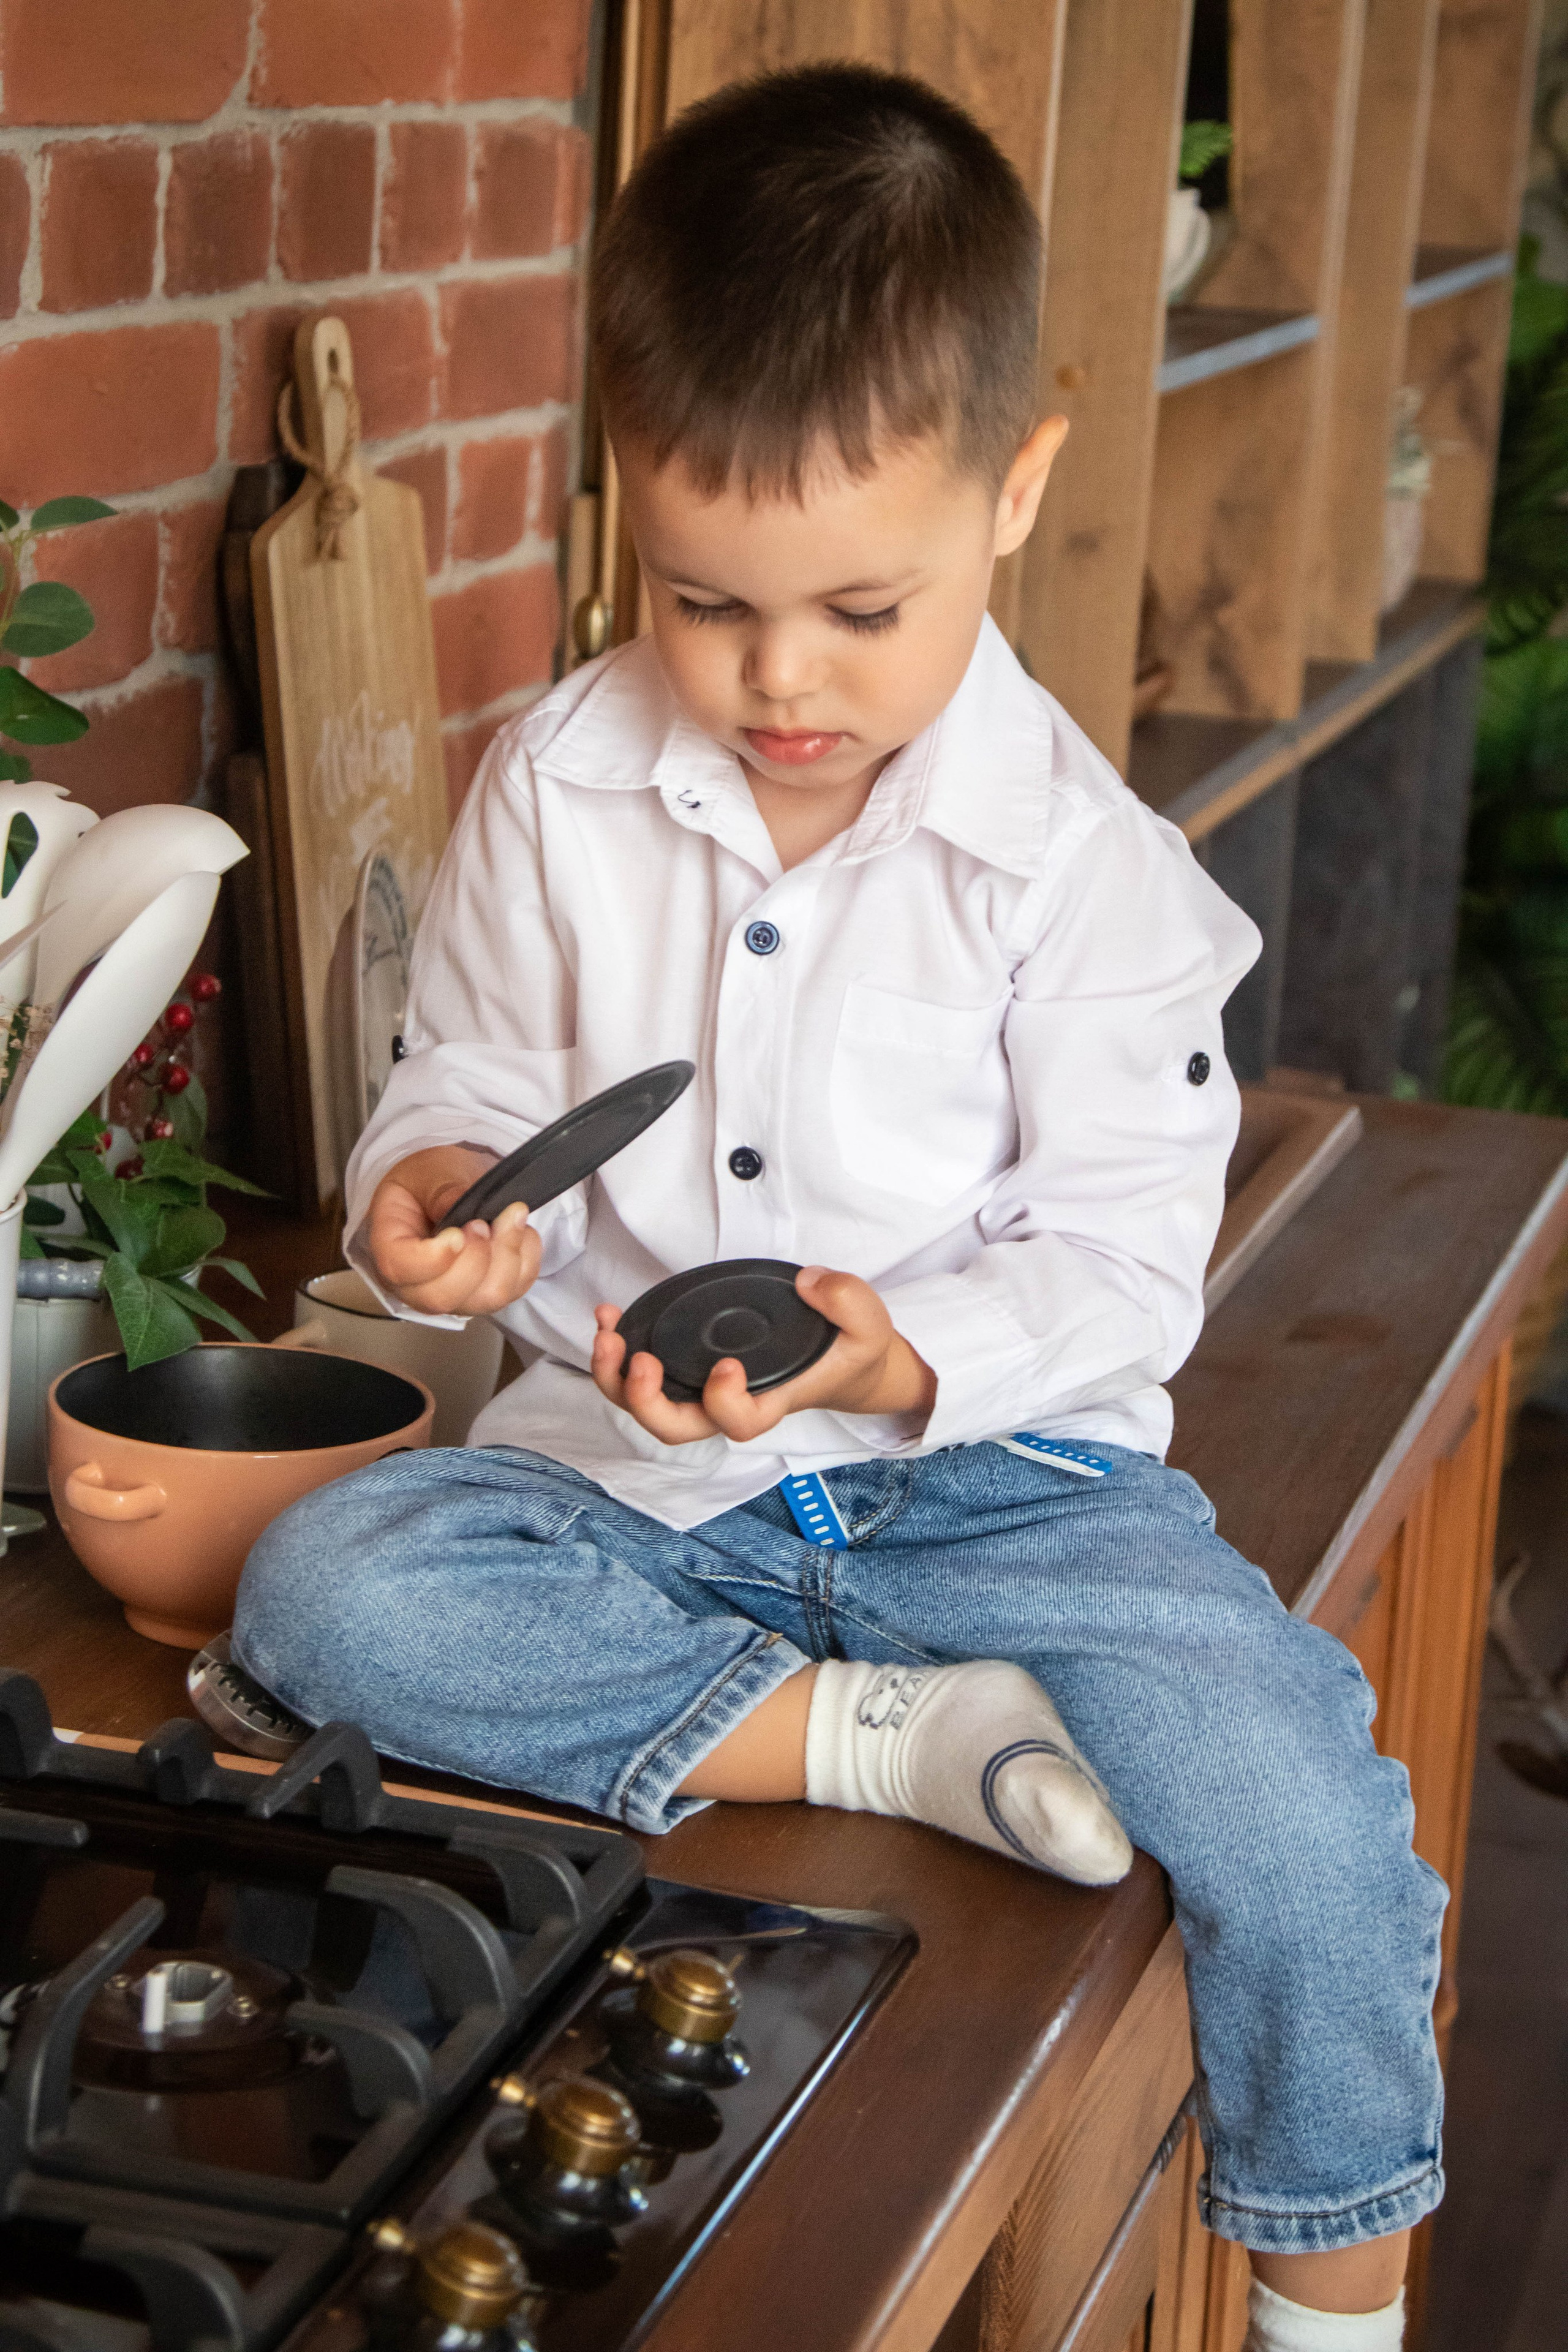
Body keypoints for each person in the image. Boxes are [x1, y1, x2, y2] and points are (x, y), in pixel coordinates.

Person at [235, 63, 1443, 2352]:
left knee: (1292, 1792)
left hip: (1006, 1488)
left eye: (854, 608)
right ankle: (905, 1745)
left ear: (1020, 491)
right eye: (705, 605)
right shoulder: (554, 790)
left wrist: (909, 1354)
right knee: (322, 1584)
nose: (778, 681)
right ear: (623, 507)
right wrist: (429, 1201)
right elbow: (477, 1071)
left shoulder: (1092, 883)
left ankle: (1337, 2299)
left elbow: (1115, 1260)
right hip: (631, 1498)